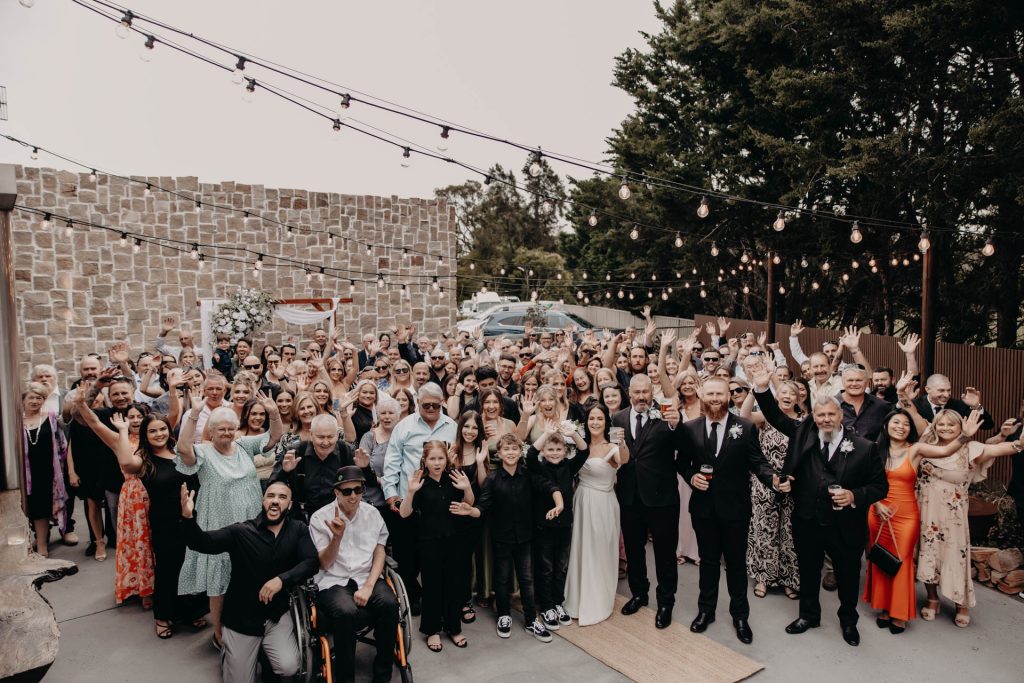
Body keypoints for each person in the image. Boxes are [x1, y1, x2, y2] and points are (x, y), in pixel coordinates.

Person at [752, 365, 888, 647]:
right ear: (813, 416)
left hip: (845, 525)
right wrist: (763, 388)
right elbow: (776, 416)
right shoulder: (803, 431)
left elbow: (880, 487)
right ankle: (808, 615)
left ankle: (848, 622)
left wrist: (853, 496)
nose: (825, 419)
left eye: (831, 414)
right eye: (820, 414)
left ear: (841, 415)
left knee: (848, 575)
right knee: (808, 570)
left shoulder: (864, 447)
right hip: (807, 518)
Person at [176, 387, 284, 647]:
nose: (226, 433)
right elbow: (182, 448)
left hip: (250, 520)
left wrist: (273, 412)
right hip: (219, 523)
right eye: (221, 429)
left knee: (249, 574)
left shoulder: (244, 445)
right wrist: (194, 414)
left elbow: (274, 437)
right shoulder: (203, 452)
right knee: (220, 580)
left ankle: (248, 623)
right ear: (211, 431)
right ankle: (219, 633)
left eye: (230, 428)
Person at [180, 480, 318, 682]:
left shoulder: (298, 530)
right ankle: (231, 653)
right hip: (242, 619)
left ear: (289, 505)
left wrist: (281, 580)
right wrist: (188, 517)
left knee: (289, 667)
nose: (275, 501)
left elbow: (311, 562)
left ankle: (265, 654)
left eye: (282, 497)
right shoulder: (241, 532)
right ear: (263, 501)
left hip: (276, 616)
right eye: (271, 496)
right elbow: (202, 542)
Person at [903, 396, 1022, 627]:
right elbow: (913, 413)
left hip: (953, 517)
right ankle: (933, 598)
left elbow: (1003, 448)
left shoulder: (972, 448)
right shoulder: (927, 445)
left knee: (955, 558)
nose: (945, 428)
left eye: (952, 424)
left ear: (962, 427)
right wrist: (903, 394)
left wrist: (1017, 440)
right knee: (928, 553)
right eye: (941, 424)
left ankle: (961, 603)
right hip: (925, 511)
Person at [863, 405, 977, 634]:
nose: (901, 427)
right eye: (896, 422)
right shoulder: (873, 450)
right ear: (886, 425)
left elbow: (946, 451)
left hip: (905, 514)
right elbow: (862, 482)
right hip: (877, 512)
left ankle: (899, 613)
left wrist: (965, 435)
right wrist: (876, 504)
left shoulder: (915, 450)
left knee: (901, 560)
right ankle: (885, 608)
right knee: (880, 559)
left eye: (906, 424)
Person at [680, 377, 777, 644]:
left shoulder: (744, 428)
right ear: (702, 395)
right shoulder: (690, 428)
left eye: (719, 394)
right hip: (703, 509)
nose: (714, 398)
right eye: (710, 393)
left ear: (727, 396)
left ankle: (740, 615)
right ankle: (706, 611)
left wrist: (774, 479)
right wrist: (691, 477)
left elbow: (758, 463)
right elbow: (683, 463)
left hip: (735, 509)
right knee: (708, 562)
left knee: (735, 565)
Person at [451, 433, 563, 642]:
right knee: (501, 579)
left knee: (527, 580)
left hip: (525, 537)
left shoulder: (528, 474)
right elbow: (482, 507)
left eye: (514, 449)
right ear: (499, 454)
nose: (511, 452)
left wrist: (559, 503)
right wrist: (470, 510)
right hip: (501, 538)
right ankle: (504, 614)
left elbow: (549, 486)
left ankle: (531, 620)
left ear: (519, 452)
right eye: (506, 449)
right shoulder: (493, 479)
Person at [309, 466, 398, 683]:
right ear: (336, 492)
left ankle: (382, 675)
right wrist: (336, 538)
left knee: (389, 604)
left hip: (365, 575)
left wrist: (368, 585)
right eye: (347, 491)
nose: (353, 496)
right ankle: (345, 678)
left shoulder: (372, 513)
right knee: (346, 612)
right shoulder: (320, 518)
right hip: (332, 580)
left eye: (358, 490)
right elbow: (323, 562)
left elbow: (380, 550)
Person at [613, 374, 684, 629]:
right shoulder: (618, 418)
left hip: (662, 498)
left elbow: (682, 445)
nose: (642, 396)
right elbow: (616, 457)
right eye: (637, 392)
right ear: (629, 392)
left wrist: (677, 425)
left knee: (665, 553)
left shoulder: (666, 415)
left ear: (652, 391)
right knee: (634, 551)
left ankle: (666, 602)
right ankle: (639, 593)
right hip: (630, 497)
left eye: (646, 391)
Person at [382, 383, 458, 614]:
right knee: (407, 555)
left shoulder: (452, 427)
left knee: (438, 555)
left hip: (440, 503)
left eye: (437, 404)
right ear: (418, 403)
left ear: (443, 401)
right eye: (427, 405)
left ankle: (439, 597)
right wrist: (391, 495)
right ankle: (413, 595)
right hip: (409, 501)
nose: (432, 408)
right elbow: (392, 463)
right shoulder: (404, 427)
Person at [399, 441, 475, 651]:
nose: (437, 462)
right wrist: (411, 492)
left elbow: (469, 503)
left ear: (446, 459)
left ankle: (454, 628)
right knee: (432, 586)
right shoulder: (420, 482)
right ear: (425, 460)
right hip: (429, 542)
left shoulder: (454, 478)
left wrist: (467, 488)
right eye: (432, 458)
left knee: (453, 584)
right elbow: (404, 513)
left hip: (453, 540)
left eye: (440, 458)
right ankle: (432, 630)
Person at [564, 403, 629, 625]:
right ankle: (576, 598)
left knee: (601, 550)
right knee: (581, 549)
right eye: (592, 418)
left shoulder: (612, 446)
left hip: (604, 504)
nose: (595, 422)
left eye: (600, 419)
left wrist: (621, 443)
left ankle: (598, 600)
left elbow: (625, 459)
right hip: (581, 500)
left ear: (606, 422)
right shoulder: (577, 446)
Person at [740, 380, 802, 601]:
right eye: (782, 392)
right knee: (764, 529)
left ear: (798, 399)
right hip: (765, 481)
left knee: (789, 532)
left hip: (794, 484)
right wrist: (753, 390)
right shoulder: (766, 418)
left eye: (791, 393)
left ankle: (788, 579)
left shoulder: (803, 422)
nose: (787, 395)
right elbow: (744, 416)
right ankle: (763, 578)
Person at [525, 419, 588, 632]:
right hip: (543, 526)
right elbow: (530, 455)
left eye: (558, 449)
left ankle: (558, 602)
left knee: (560, 567)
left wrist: (573, 433)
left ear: (564, 450)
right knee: (545, 568)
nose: (554, 453)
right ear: (544, 449)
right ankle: (546, 606)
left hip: (564, 525)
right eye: (550, 449)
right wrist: (546, 433)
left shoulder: (569, 467)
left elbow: (584, 452)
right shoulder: (538, 467)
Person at [271, 413, 359, 517]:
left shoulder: (346, 451)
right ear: (311, 435)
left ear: (337, 435)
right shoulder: (295, 452)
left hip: (340, 514)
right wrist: (285, 472)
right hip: (303, 516)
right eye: (320, 437)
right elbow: (272, 483)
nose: (326, 442)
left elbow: (366, 484)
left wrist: (364, 468)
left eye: (330, 437)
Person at [22, 382, 69, 557]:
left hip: (46, 471)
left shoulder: (51, 417)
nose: (35, 401)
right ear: (24, 400)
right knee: (27, 508)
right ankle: (28, 542)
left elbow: (62, 445)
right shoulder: (16, 421)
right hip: (24, 473)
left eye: (39, 398)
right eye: (31, 397)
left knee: (41, 508)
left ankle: (42, 544)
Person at [913, 374, 995, 429]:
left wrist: (976, 406)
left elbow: (987, 425)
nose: (946, 395)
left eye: (948, 390)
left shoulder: (959, 405)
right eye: (941, 390)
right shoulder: (916, 405)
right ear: (927, 389)